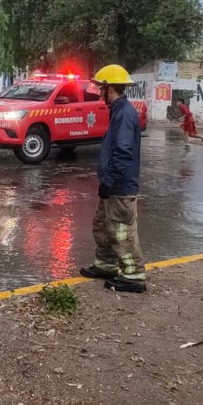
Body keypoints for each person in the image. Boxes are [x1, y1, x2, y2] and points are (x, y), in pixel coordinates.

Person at [79, 64, 146, 293]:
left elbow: (124, 151)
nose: (99, 93)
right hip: (112, 184)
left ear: (110, 89)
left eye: (101, 89)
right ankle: (106, 266)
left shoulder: (125, 113)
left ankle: (133, 276)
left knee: (121, 232)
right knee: (102, 226)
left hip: (120, 186)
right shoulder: (118, 110)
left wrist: (110, 180)